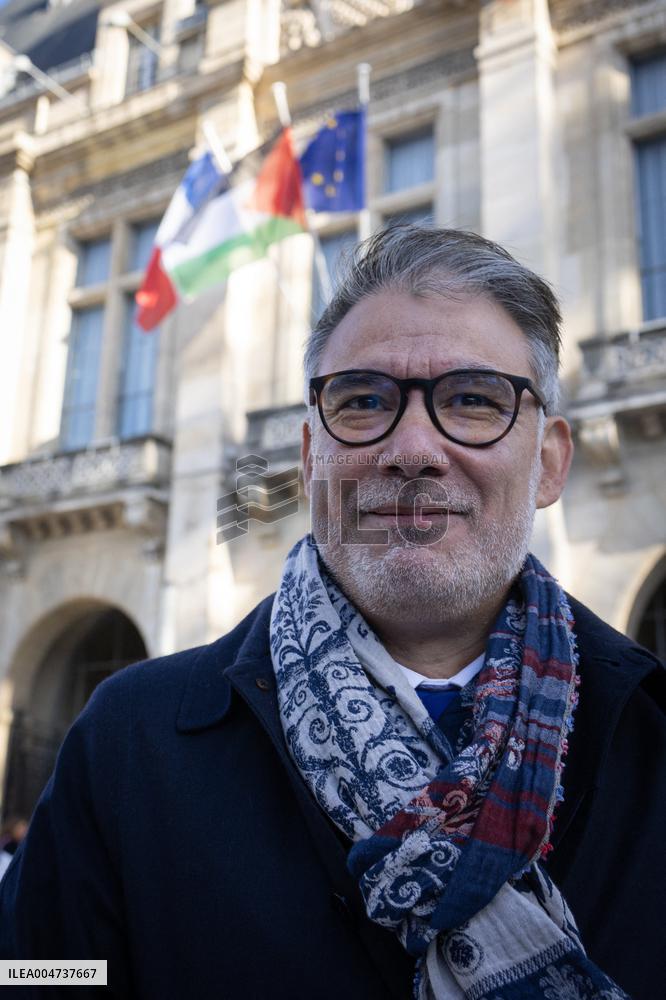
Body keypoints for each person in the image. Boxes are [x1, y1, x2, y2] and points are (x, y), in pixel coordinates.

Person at [1, 227, 664, 999]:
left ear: (549, 460)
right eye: (364, 402)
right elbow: (33, 972)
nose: (413, 448)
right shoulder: (129, 742)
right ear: (312, 458)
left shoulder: (650, 733)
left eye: (474, 400)